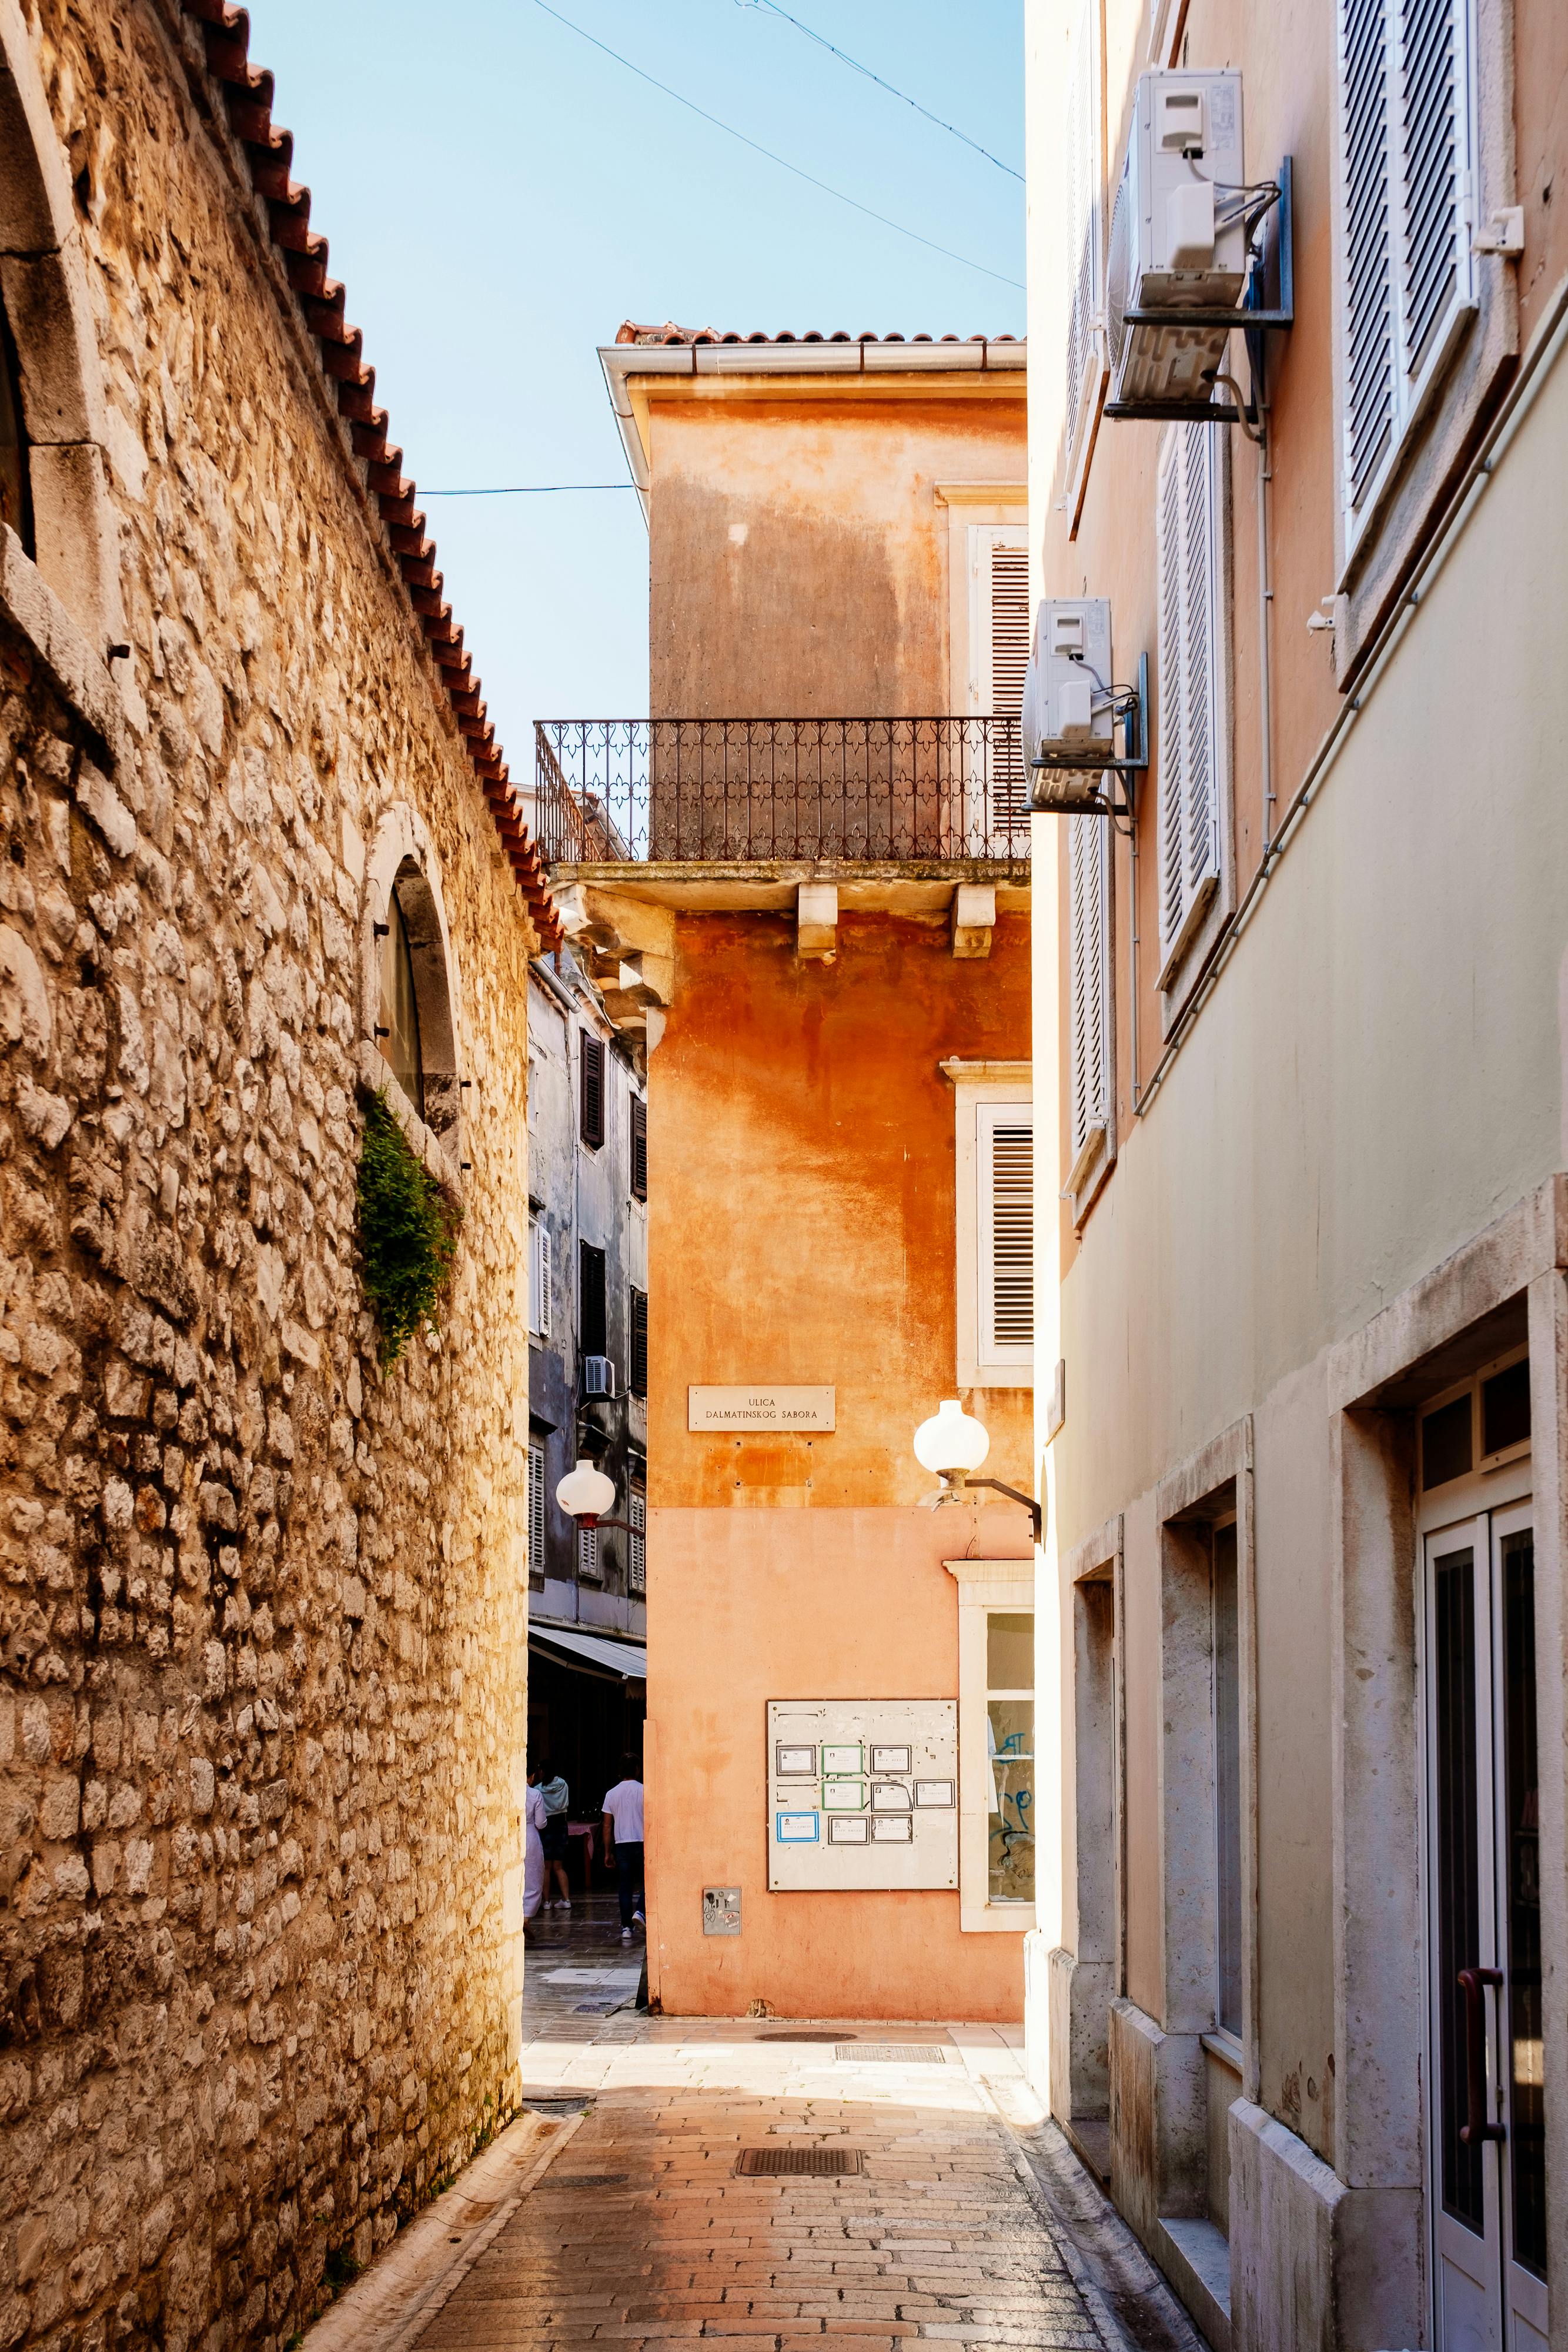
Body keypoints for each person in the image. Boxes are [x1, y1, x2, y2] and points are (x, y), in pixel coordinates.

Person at [601, 1756, 645, 1945]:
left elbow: (607, 1826)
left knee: (625, 1887)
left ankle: (627, 1927)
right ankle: (641, 1911)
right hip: (643, 1842)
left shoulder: (611, 1794)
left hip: (622, 1844)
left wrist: (607, 1852)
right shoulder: (644, 1791)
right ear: (637, 1769)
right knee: (648, 1883)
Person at [539, 1759, 571, 1910]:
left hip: (546, 1826)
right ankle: (566, 1899)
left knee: (546, 1867)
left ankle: (546, 1902)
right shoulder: (563, 1785)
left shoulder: (538, 1789)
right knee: (559, 1866)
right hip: (560, 1824)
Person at [523, 1765, 548, 1923]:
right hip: (530, 1835)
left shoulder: (510, 1793)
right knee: (533, 1878)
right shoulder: (534, 1794)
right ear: (532, 1776)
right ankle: (526, 1918)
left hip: (512, 1834)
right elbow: (541, 1822)